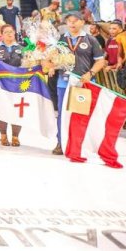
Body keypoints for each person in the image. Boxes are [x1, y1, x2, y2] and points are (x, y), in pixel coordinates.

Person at [53, 11, 106, 155]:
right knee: (62, 114)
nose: (72, 23)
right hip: (63, 83)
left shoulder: (91, 40)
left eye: (75, 20)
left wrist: (91, 73)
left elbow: (101, 61)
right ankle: (61, 142)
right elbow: (52, 59)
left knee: (80, 114)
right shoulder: (60, 39)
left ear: (83, 22)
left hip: (83, 84)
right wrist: (50, 63)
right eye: (69, 21)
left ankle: (80, 143)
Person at [0, 24, 24, 146]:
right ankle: (3, 136)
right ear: (2, 34)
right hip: (0, 84)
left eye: (11, 31)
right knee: (1, 109)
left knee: (17, 110)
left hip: (17, 84)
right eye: (6, 32)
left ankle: (15, 137)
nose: (9, 34)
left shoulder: (21, 47)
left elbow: (27, 63)